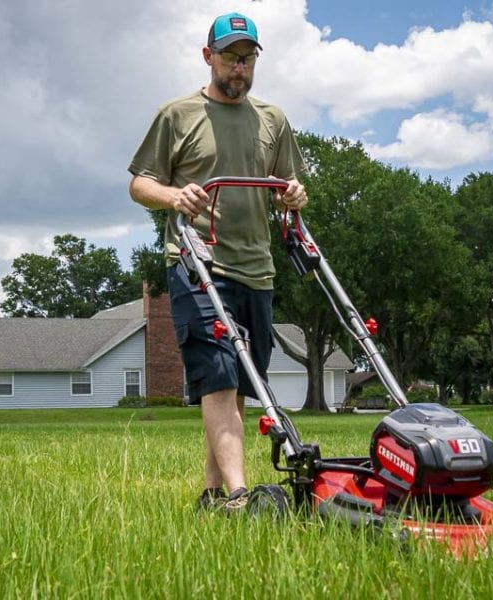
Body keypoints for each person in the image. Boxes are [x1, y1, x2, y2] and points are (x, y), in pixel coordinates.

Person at [128, 12, 308, 512]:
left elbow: (291, 187)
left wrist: (294, 194)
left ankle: (211, 492)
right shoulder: (177, 115)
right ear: (209, 57)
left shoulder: (272, 120)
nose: (239, 68)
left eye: (248, 59)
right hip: (196, 262)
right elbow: (139, 183)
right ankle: (238, 494)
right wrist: (173, 195)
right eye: (230, 57)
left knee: (242, 381)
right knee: (219, 373)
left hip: (258, 267)